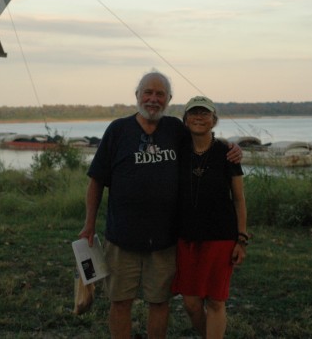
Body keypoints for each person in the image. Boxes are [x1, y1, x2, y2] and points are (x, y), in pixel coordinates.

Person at [79, 72, 241, 339]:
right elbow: (96, 180)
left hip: (165, 239)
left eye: (160, 94)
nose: (153, 99)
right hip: (122, 237)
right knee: (120, 301)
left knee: (159, 302)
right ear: (137, 96)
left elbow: (205, 141)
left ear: (168, 100)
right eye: (148, 93)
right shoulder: (118, 130)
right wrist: (88, 224)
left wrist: (231, 148)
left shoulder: (175, 130)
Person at [171, 96, 249, 339]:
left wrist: (242, 238)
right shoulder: (178, 152)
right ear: (185, 121)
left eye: (205, 114)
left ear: (214, 120)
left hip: (221, 238)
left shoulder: (227, 153)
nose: (199, 117)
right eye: (193, 113)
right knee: (191, 304)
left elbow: (238, 199)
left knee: (215, 302)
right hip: (186, 239)